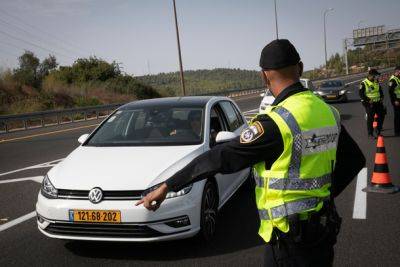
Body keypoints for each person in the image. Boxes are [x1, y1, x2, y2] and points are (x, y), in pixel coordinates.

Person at [136, 39, 365, 266]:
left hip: (289, 242)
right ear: (301, 67)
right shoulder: (328, 112)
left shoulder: (277, 123)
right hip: (323, 232)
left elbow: (221, 157)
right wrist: (321, 199)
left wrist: (167, 186)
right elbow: (355, 160)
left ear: (264, 76)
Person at [359, 69, 385, 138]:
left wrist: (382, 97)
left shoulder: (376, 82)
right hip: (369, 103)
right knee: (370, 118)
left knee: (381, 116)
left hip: (378, 102)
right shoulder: (363, 83)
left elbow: (380, 90)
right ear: (371, 75)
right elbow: (361, 94)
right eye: (376, 75)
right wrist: (368, 100)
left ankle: (378, 131)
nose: (377, 77)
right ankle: (370, 134)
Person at [388, 66, 400, 136]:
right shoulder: (392, 80)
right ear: (397, 71)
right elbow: (390, 92)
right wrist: (395, 101)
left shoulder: (398, 78)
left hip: (399, 99)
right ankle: (397, 131)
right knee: (397, 116)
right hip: (396, 101)